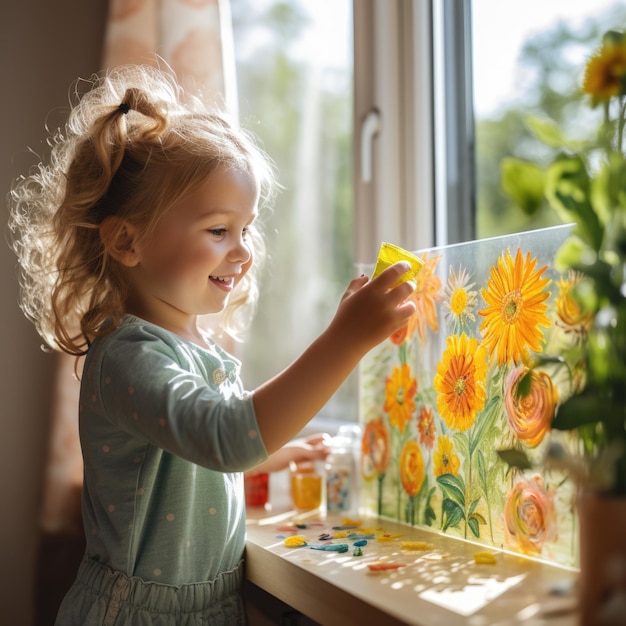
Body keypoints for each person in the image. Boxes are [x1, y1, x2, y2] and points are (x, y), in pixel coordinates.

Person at [7, 64, 417, 625]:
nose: (244, 251)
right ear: (127, 240)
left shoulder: (198, 350)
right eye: (219, 230)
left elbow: (195, 450)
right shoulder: (127, 356)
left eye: (246, 229)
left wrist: (277, 455)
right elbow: (225, 436)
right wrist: (343, 341)